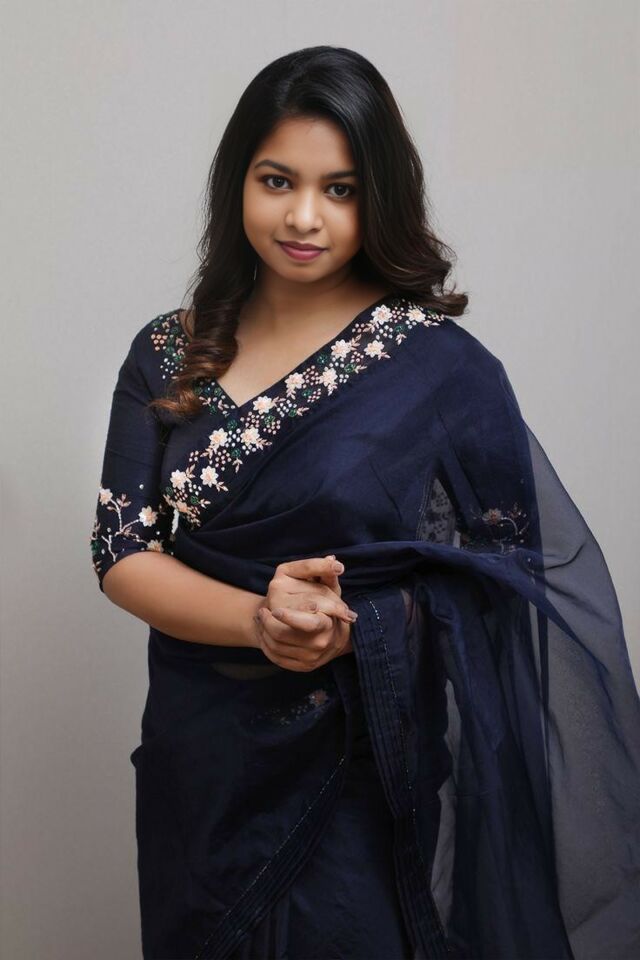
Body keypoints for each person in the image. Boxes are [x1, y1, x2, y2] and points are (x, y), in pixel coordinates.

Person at [90, 46, 640, 960]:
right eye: (277, 180)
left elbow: (501, 585)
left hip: (359, 777)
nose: (304, 216)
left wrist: (362, 627)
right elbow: (121, 551)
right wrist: (259, 619)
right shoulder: (168, 354)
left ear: (379, 196)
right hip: (199, 775)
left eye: (340, 190)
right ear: (237, 182)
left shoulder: (439, 369)